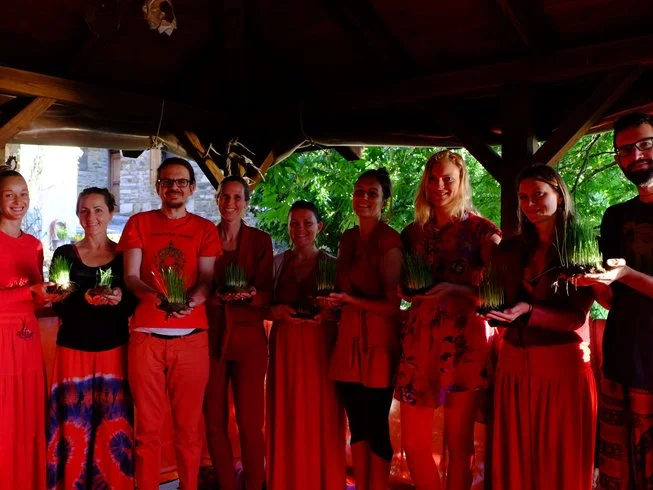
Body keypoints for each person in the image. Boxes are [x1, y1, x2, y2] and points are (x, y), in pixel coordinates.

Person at [394, 150, 501, 490]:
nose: (439, 185)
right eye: (433, 178)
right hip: (419, 345)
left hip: (464, 345)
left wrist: (455, 289)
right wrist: (405, 290)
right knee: (413, 446)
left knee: (459, 446)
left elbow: (500, 292)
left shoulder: (482, 231)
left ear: (462, 181)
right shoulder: (412, 233)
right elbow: (399, 285)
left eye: (447, 179)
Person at [485, 165, 596, 490]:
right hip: (513, 369)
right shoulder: (510, 248)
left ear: (559, 196)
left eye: (538, 195)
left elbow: (575, 318)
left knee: (558, 464)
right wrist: (490, 309)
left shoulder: (581, 244)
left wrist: (531, 311)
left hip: (561, 373)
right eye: (523, 197)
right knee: (515, 464)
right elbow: (495, 298)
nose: (530, 203)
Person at [119, 157, 221, 490]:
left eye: (180, 182)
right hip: (145, 338)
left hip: (192, 338)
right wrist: (155, 298)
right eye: (167, 181)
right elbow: (131, 277)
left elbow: (207, 280)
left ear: (191, 188)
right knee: (147, 431)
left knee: (189, 431)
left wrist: (192, 302)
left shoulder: (205, 229)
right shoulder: (138, 223)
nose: (173, 187)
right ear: (158, 186)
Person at [573, 112, 653, 490]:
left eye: (645, 144)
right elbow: (611, 300)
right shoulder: (614, 216)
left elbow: (624, 278)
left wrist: (625, 275)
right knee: (619, 477)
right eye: (624, 150)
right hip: (621, 360)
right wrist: (587, 279)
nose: (635, 155)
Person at [46, 187, 136, 489]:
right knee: (73, 422)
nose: (91, 217)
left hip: (115, 351)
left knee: (114, 422)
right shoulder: (64, 254)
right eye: (84, 210)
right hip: (73, 351)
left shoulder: (125, 256)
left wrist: (119, 298)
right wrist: (83, 299)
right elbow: (57, 303)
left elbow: (133, 304)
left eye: (98, 210)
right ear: (77, 214)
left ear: (111, 213)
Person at [328, 167, 402, 490]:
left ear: (384, 201)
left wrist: (350, 301)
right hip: (349, 341)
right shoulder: (347, 238)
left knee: (377, 426)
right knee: (357, 424)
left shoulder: (390, 240)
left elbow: (392, 306)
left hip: (378, 343)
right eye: (359, 191)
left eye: (373, 193)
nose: (364, 198)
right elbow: (341, 288)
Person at [266, 200, 346, 490]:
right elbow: (261, 305)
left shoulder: (333, 265)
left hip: (321, 348)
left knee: (320, 415)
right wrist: (275, 311)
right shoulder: (276, 264)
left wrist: (329, 314)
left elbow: (346, 309)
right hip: (285, 348)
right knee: (286, 413)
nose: (300, 229)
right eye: (294, 223)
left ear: (319, 227)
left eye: (307, 223)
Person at [204, 175, 272, 490]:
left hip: (249, 340)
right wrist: (216, 297)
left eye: (236, 197)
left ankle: (255, 483)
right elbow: (197, 282)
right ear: (218, 200)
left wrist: (251, 294)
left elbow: (267, 291)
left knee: (249, 421)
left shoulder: (260, 241)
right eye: (224, 196)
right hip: (211, 337)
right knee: (213, 419)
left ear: (246, 202)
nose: (230, 203)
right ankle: (227, 484)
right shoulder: (205, 236)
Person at [0, 169, 61, 489]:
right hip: (1, 340)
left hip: (28, 341)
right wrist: (29, 292)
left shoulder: (34, 245)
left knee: (28, 417)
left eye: (23, 193)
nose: (18, 200)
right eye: (9, 194)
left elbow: (34, 301)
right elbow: (24, 293)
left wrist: (49, 296)